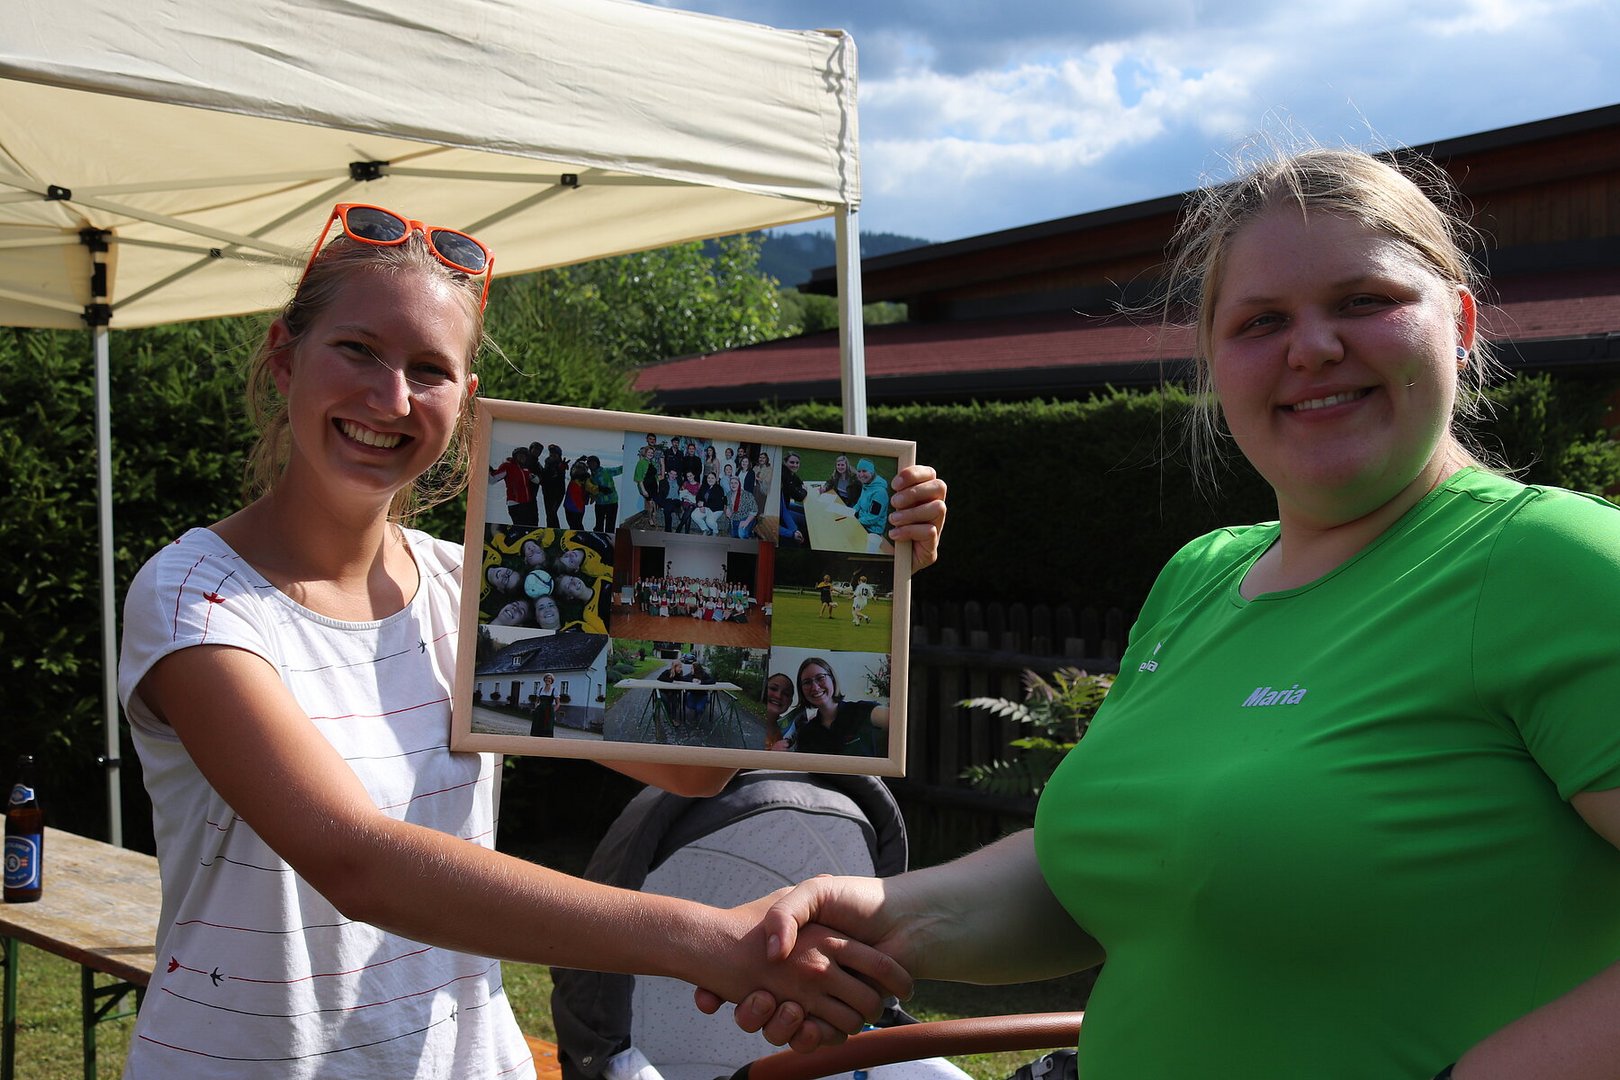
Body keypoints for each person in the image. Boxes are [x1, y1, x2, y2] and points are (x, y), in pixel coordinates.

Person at [722, 147, 1620, 1076]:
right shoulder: (1202, 575)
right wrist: (884, 916)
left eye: (1364, 301)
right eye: (1261, 320)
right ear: (1215, 364)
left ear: (1461, 323)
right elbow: (1132, 877)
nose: (1312, 348)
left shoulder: (1554, 562)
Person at [115, 203, 926, 1078]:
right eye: (357, 349)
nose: (391, 398)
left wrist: (860, 556)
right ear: (285, 357)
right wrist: (706, 939)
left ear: (465, 400)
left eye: (429, 369)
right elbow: (356, 863)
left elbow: (692, 766)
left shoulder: (471, 588)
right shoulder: (196, 594)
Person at [782, 657, 890, 758]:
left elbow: (897, 723)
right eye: (807, 682)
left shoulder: (862, 710)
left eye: (820, 678)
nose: (815, 687)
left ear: (832, 679)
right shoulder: (806, 733)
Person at [489, 445, 536, 527]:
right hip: (515, 503)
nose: (522, 458)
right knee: (520, 526)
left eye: (524, 456)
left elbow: (535, 480)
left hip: (526, 504)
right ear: (515, 456)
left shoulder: (525, 469)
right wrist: (486, 469)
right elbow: (493, 480)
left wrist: (534, 477)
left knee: (528, 526)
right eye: (520, 455)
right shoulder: (508, 466)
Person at [852, 459, 890, 552]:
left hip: (873, 531)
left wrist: (856, 522)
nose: (861, 474)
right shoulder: (866, 485)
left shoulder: (879, 493)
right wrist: (850, 512)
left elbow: (873, 517)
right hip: (862, 523)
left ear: (871, 472)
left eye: (864, 471)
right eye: (859, 471)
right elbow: (859, 503)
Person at [779, 451, 809, 546]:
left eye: (797, 463)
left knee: (805, 510)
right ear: (785, 462)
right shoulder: (784, 475)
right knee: (806, 519)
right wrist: (804, 491)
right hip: (783, 509)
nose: (795, 465)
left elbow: (799, 482)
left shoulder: (789, 472)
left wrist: (801, 489)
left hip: (785, 505)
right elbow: (799, 497)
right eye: (792, 462)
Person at [538, 443, 568, 528]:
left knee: (551, 513)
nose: (552, 455)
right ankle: (551, 530)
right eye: (551, 453)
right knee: (550, 514)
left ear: (559, 455)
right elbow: (545, 477)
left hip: (557, 493)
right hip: (547, 492)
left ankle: (554, 530)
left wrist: (560, 469)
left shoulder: (560, 464)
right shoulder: (547, 463)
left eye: (555, 453)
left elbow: (560, 474)